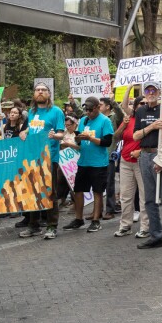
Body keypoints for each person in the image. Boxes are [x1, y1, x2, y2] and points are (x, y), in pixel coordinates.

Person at [134, 81, 162, 254]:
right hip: (144, 155)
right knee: (149, 200)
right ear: (144, 93)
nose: (150, 93)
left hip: (161, 156)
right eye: (148, 90)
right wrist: (152, 126)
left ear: (159, 92)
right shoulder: (140, 111)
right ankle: (156, 236)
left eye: (154, 90)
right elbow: (136, 135)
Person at [18, 82, 66, 239]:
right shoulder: (31, 112)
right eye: (37, 90)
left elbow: (61, 134)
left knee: (50, 193)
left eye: (43, 90)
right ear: (34, 94)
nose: (40, 92)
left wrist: (55, 136)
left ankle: (52, 226)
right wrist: (23, 132)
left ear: (48, 94)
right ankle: (33, 225)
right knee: (32, 192)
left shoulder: (56, 111)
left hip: (49, 158)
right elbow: (31, 129)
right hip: (32, 158)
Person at [62, 98, 114, 233]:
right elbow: (78, 139)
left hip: (98, 163)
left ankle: (96, 220)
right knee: (78, 190)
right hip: (84, 161)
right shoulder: (84, 120)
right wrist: (78, 139)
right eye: (87, 110)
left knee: (97, 191)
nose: (88, 112)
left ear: (98, 107)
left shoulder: (105, 121)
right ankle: (78, 219)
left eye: (91, 110)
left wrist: (90, 138)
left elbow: (107, 142)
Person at [114, 93, 149, 238]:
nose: (142, 107)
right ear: (134, 108)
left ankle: (145, 227)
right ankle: (125, 226)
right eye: (139, 104)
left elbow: (155, 141)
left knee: (144, 196)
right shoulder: (129, 119)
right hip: (126, 161)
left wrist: (140, 152)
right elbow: (116, 136)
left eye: (144, 104)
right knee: (126, 196)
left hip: (142, 162)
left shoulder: (149, 121)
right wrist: (124, 125)